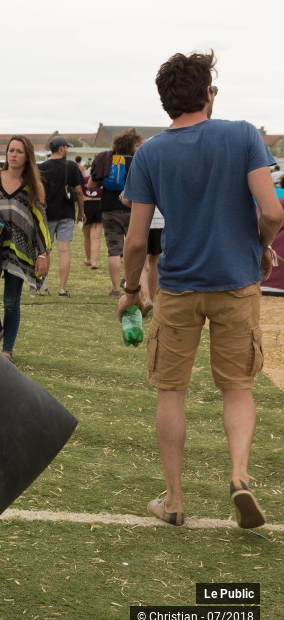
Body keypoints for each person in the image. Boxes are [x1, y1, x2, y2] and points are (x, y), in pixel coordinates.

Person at [119, 50, 283, 529]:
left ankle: (173, 500)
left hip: (178, 288)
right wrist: (263, 247)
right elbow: (272, 212)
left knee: (171, 391)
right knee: (237, 389)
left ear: (165, 102)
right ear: (208, 93)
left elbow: (135, 241)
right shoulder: (242, 134)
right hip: (237, 284)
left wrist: (131, 289)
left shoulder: (149, 153)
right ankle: (238, 477)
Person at [0, 135, 49, 363]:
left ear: (27, 156)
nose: (13, 154)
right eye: (11, 150)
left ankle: (7, 350)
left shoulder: (34, 186)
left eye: (18, 151)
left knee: (11, 303)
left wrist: (43, 253)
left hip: (20, 250)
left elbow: (40, 222)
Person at [91, 128, 143, 296]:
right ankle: (129, 281)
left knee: (114, 249)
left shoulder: (107, 160)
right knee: (133, 248)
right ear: (132, 145)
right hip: (133, 209)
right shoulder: (138, 161)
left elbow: (92, 185)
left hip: (109, 209)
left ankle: (115, 289)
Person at [38, 136, 85, 297]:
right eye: (66, 147)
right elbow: (79, 191)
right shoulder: (71, 166)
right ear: (61, 148)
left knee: (45, 250)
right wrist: (81, 212)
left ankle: (42, 286)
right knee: (64, 251)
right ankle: (62, 289)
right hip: (67, 214)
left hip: (47, 214)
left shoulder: (42, 167)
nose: (67, 150)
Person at [82, 172, 103, 270]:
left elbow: (79, 193)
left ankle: (88, 259)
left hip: (86, 205)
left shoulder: (84, 179)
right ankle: (94, 262)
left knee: (87, 237)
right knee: (96, 238)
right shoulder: (103, 179)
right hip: (99, 204)